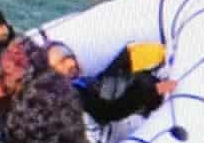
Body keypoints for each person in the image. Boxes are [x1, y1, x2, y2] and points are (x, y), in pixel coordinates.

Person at [45, 41, 177, 126]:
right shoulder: (72, 96)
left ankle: (164, 55)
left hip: (107, 97)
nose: (71, 63)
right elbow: (108, 111)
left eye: (70, 57)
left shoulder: (78, 85)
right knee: (142, 82)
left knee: (129, 54)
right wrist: (157, 88)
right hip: (120, 118)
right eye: (62, 63)